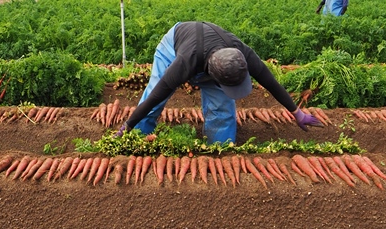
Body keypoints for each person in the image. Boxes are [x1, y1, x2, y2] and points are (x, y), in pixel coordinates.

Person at [115, 21, 323, 143]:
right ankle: (136, 141)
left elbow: (271, 82)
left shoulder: (240, 54)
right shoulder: (183, 64)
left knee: (223, 112)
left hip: (214, 53)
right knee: (154, 104)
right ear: (214, 77)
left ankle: (220, 149)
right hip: (175, 45)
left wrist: (297, 112)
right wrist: (127, 126)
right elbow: (154, 97)